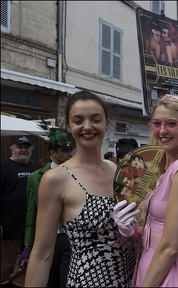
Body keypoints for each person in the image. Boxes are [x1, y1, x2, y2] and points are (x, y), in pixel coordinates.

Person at [25, 91, 134, 286]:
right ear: (68, 126)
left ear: (106, 123)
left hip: (130, 278)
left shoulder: (114, 169)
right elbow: (42, 254)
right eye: (78, 120)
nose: (87, 127)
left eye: (95, 119)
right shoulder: (56, 179)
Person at [113, 94, 178, 286]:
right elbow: (156, 230)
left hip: (171, 272)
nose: (162, 131)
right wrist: (129, 229)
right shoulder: (162, 166)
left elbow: (170, 248)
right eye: (157, 124)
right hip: (153, 265)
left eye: (171, 124)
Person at [20, 129, 74, 287]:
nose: (70, 154)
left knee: (67, 281)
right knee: (48, 281)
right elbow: (32, 211)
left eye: (71, 150)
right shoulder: (35, 177)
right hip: (45, 237)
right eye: (65, 150)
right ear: (53, 152)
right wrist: (28, 244)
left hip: (70, 237)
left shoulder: (77, 175)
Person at [1, 136, 39, 284]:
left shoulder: (36, 169)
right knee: (6, 264)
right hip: (9, 225)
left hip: (33, 226)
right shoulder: (3, 168)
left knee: (30, 263)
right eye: (19, 147)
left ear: (31, 150)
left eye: (27, 147)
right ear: (12, 149)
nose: (23, 150)